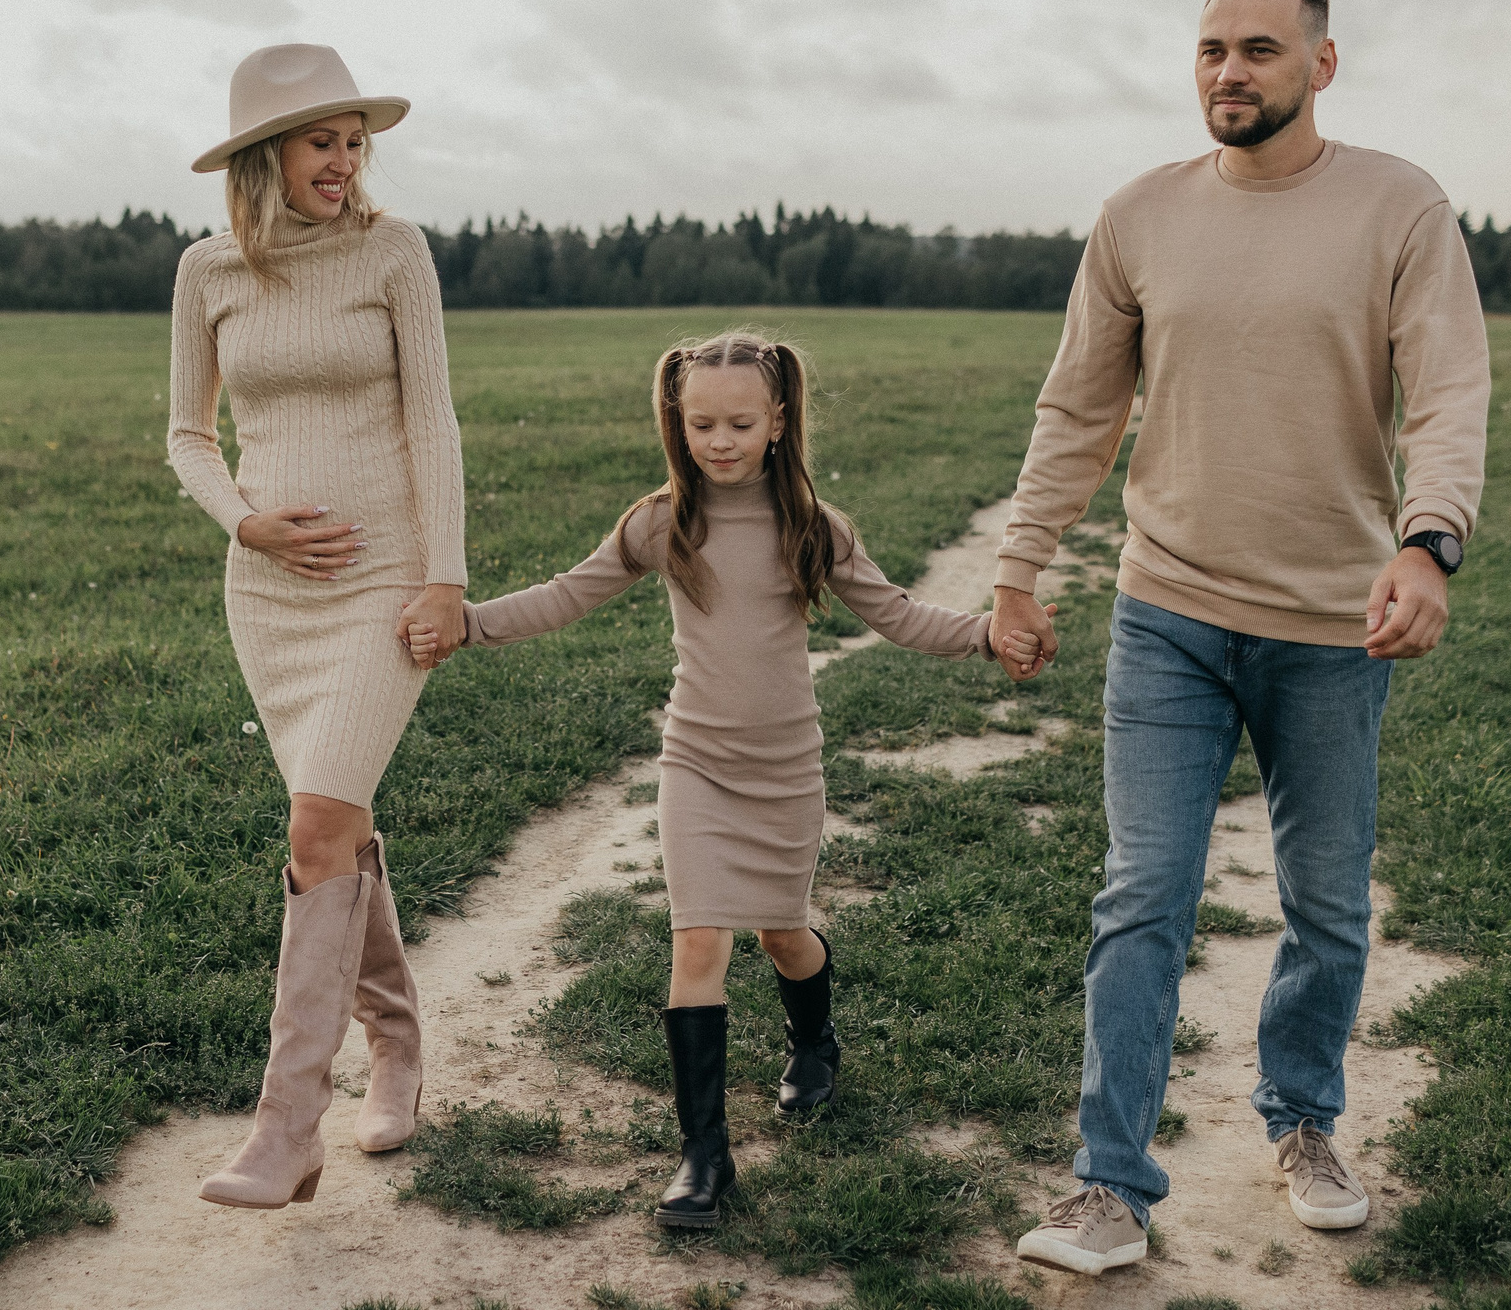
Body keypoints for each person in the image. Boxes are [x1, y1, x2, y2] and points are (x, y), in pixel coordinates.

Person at [996, 0, 1490, 1276]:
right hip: (1168, 607)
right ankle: (1109, 1184)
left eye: (1261, 50)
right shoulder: (1141, 214)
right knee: (1140, 893)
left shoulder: (1400, 206)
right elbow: (1079, 406)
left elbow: (1447, 388)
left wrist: (1428, 544)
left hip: (1336, 622)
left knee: (1326, 898)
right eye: (1213, 48)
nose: (1231, 71)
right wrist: (1019, 565)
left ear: (1320, 65)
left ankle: (1306, 1118)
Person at [412, 333, 1043, 1226]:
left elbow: (899, 614)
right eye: (701, 421)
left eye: (741, 422)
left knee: (784, 936)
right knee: (698, 941)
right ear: (677, 420)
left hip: (785, 769)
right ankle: (705, 1157)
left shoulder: (814, 529)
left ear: (778, 421)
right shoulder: (661, 522)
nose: (720, 439)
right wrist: (467, 623)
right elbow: (566, 592)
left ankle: (813, 1039)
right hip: (697, 763)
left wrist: (986, 632)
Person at [168, 43, 468, 1209]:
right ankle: (396, 1046)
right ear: (264, 158)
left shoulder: (393, 253)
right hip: (270, 596)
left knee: (316, 822)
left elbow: (433, 420)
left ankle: (287, 1125)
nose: (343, 163)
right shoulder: (207, 272)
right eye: (320, 143)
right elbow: (188, 434)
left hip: (383, 578)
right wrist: (245, 523)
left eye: (354, 143)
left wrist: (442, 577)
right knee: (331, 830)